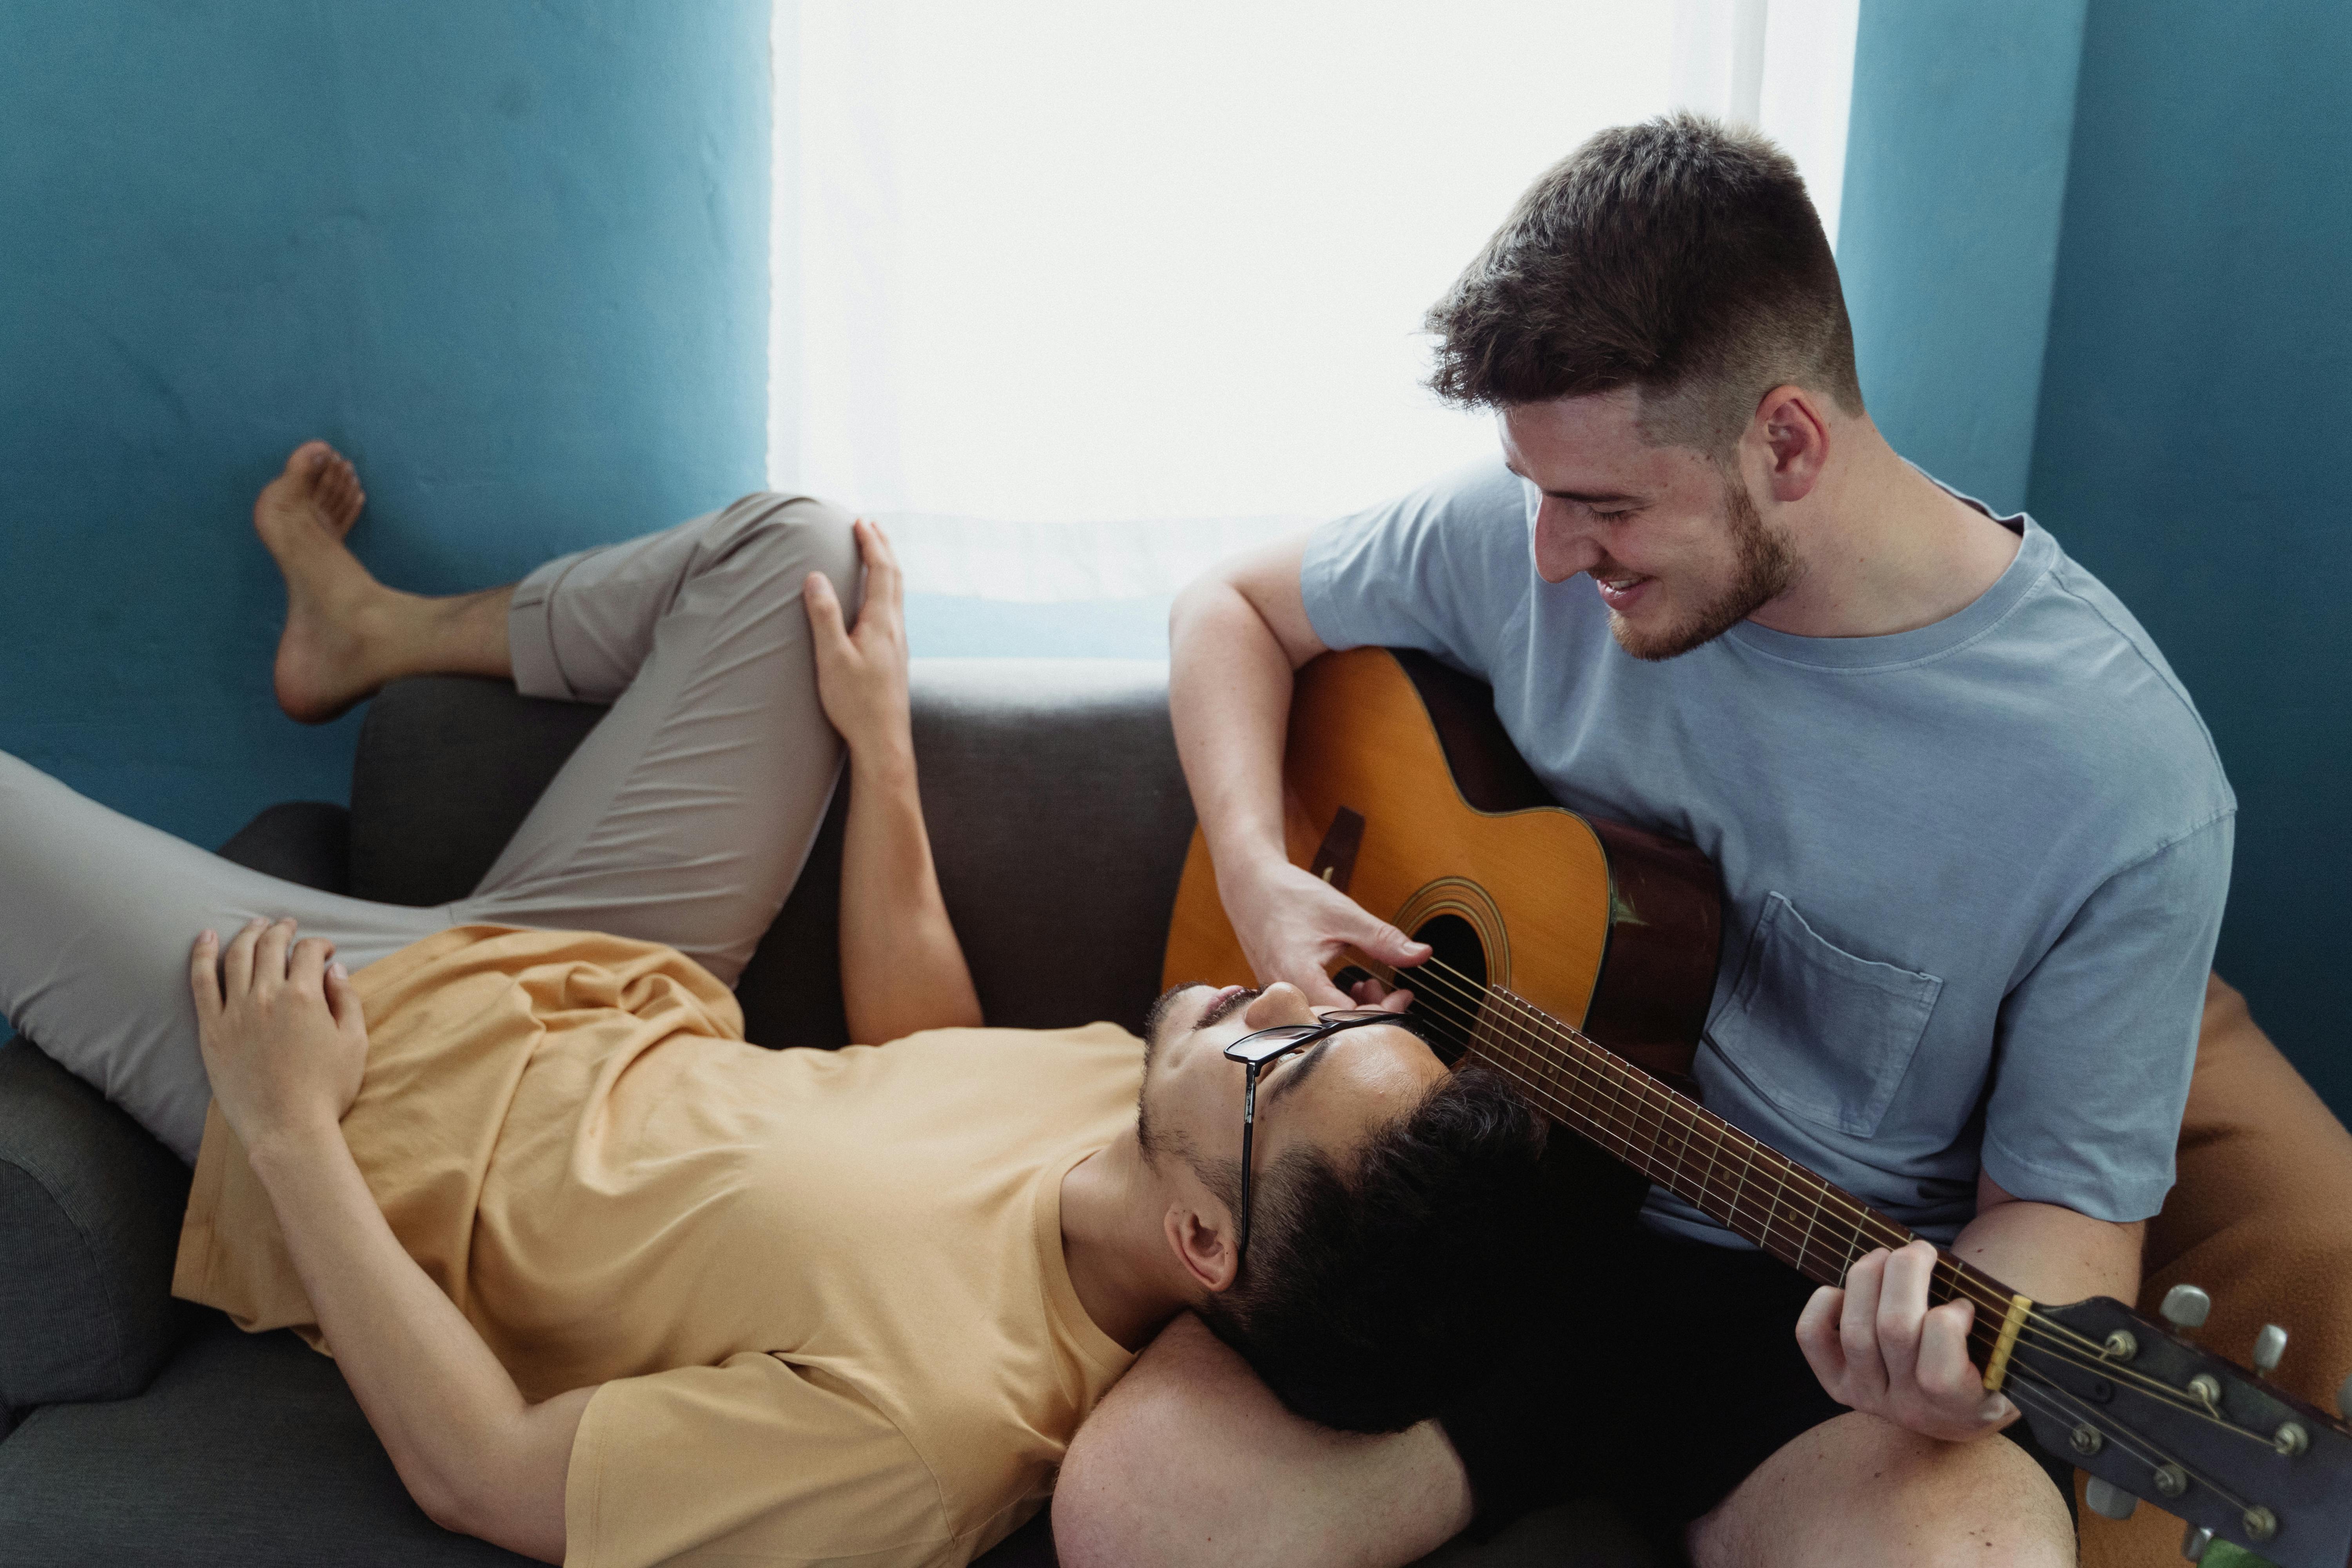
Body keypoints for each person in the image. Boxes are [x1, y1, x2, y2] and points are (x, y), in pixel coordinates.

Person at [0, 443, 1555, 1567]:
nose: (1290, 994)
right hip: (613, 977)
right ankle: (370, 636)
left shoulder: (920, 1446)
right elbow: (920, 1058)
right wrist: (881, 750)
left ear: (1209, 1246)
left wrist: (287, 1132)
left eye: (1295, 1057)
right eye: (1351, 1018)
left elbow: (486, 1474)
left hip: (363, 1067)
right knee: (803, 548)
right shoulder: (1143, 1097)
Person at [1057, 114, 2234, 1568]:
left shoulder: (2120, 781)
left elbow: (2066, 1220)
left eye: (1600, 506)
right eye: (1536, 491)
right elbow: (1227, 611)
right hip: (1490, 1230)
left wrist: (1940, 1360)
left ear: (1786, 441)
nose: (1547, 552)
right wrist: (1259, 871)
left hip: (1793, 1325)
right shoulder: (1529, 535)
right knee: (1135, 1518)